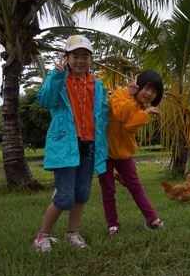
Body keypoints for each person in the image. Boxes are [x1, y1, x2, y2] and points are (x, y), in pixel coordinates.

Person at [33, 34, 109, 252]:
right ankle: (42, 236)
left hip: (89, 145)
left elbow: (103, 113)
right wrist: (56, 76)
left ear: (91, 60)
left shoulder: (97, 84)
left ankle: (71, 233)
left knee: (82, 193)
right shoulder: (58, 78)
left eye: (85, 56)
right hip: (66, 145)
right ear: (67, 57)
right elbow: (45, 101)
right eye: (75, 55)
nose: (80, 60)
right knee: (65, 195)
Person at [99, 69, 165, 237]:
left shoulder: (141, 108)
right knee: (108, 190)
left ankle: (152, 219)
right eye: (147, 88)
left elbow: (129, 127)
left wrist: (145, 112)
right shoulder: (120, 93)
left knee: (136, 187)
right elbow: (120, 114)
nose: (149, 93)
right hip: (104, 152)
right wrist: (130, 95)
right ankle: (112, 225)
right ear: (139, 85)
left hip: (123, 153)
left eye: (154, 91)